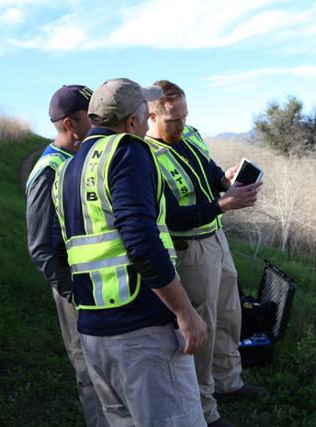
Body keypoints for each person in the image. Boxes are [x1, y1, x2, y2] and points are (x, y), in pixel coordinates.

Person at [52, 78, 208, 427]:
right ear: (133, 122)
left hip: (94, 333)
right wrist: (184, 312)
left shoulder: (65, 170)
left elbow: (61, 251)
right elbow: (140, 240)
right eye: (143, 109)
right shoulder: (127, 150)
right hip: (142, 334)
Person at [146, 80, 267, 427]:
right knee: (203, 327)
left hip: (217, 240)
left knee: (230, 316)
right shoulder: (145, 156)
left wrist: (226, 181)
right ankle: (204, 409)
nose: (182, 126)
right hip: (190, 251)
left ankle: (229, 383)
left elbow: (210, 173)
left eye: (185, 117)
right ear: (151, 116)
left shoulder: (191, 134)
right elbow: (167, 216)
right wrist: (222, 204)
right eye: (173, 121)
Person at [25, 84, 107, 427]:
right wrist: (74, 292)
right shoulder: (48, 172)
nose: (99, 124)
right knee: (89, 369)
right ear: (71, 125)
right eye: (92, 118)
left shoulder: (81, 158)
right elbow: (41, 249)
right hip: (76, 291)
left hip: (101, 288)